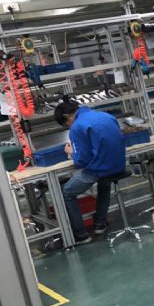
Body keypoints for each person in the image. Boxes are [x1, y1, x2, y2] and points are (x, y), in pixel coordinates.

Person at [54, 98, 126, 245]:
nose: (69, 127)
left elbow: (82, 161)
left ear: (67, 116)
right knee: (104, 183)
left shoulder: (77, 127)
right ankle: (100, 223)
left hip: (100, 169)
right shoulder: (106, 116)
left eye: (66, 125)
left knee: (67, 193)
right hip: (118, 165)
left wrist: (71, 152)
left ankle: (81, 235)